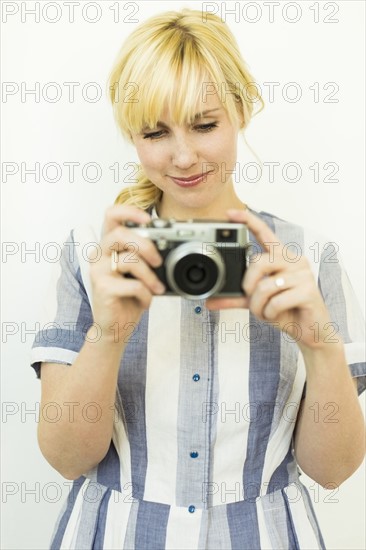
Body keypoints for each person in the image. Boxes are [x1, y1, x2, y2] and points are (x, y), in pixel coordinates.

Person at [31, 8, 366, 550]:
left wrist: (321, 347)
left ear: (241, 108)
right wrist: (109, 334)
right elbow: (67, 458)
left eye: (205, 124)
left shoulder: (307, 259)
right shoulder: (92, 257)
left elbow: (332, 471)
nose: (183, 156)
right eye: (155, 132)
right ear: (132, 134)